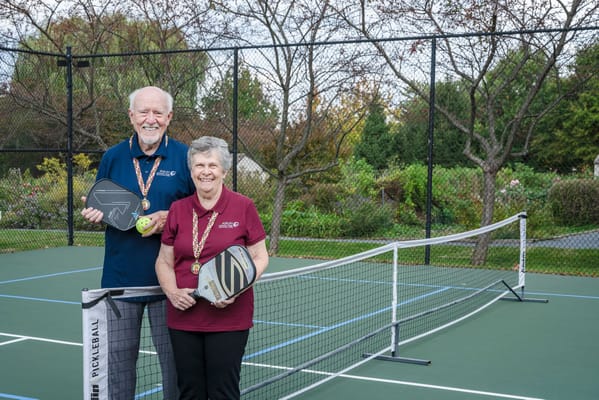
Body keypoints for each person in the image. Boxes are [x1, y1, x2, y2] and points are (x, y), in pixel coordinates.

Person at [81, 86, 195, 400]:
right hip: (119, 283)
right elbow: (107, 205)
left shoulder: (186, 157)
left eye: (158, 112)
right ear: (131, 116)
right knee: (116, 367)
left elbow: (202, 211)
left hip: (171, 284)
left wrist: (168, 218)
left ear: (169, 117)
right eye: (143, 111)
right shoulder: (113, 157)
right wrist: (97, 213)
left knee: (176, 368)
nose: (150, 119)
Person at [155, 136, 269, 400]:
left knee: (223, 392)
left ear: (224, 171)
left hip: (229, 319)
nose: (206, 171)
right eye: (199, 165)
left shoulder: (244, 207)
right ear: (191, 171)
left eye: (212, 165)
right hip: (183, 317)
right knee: (189, 391)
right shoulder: (177, 209)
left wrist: (236, 289)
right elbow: (163, 260)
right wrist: (172, 292)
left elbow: (259, 257)